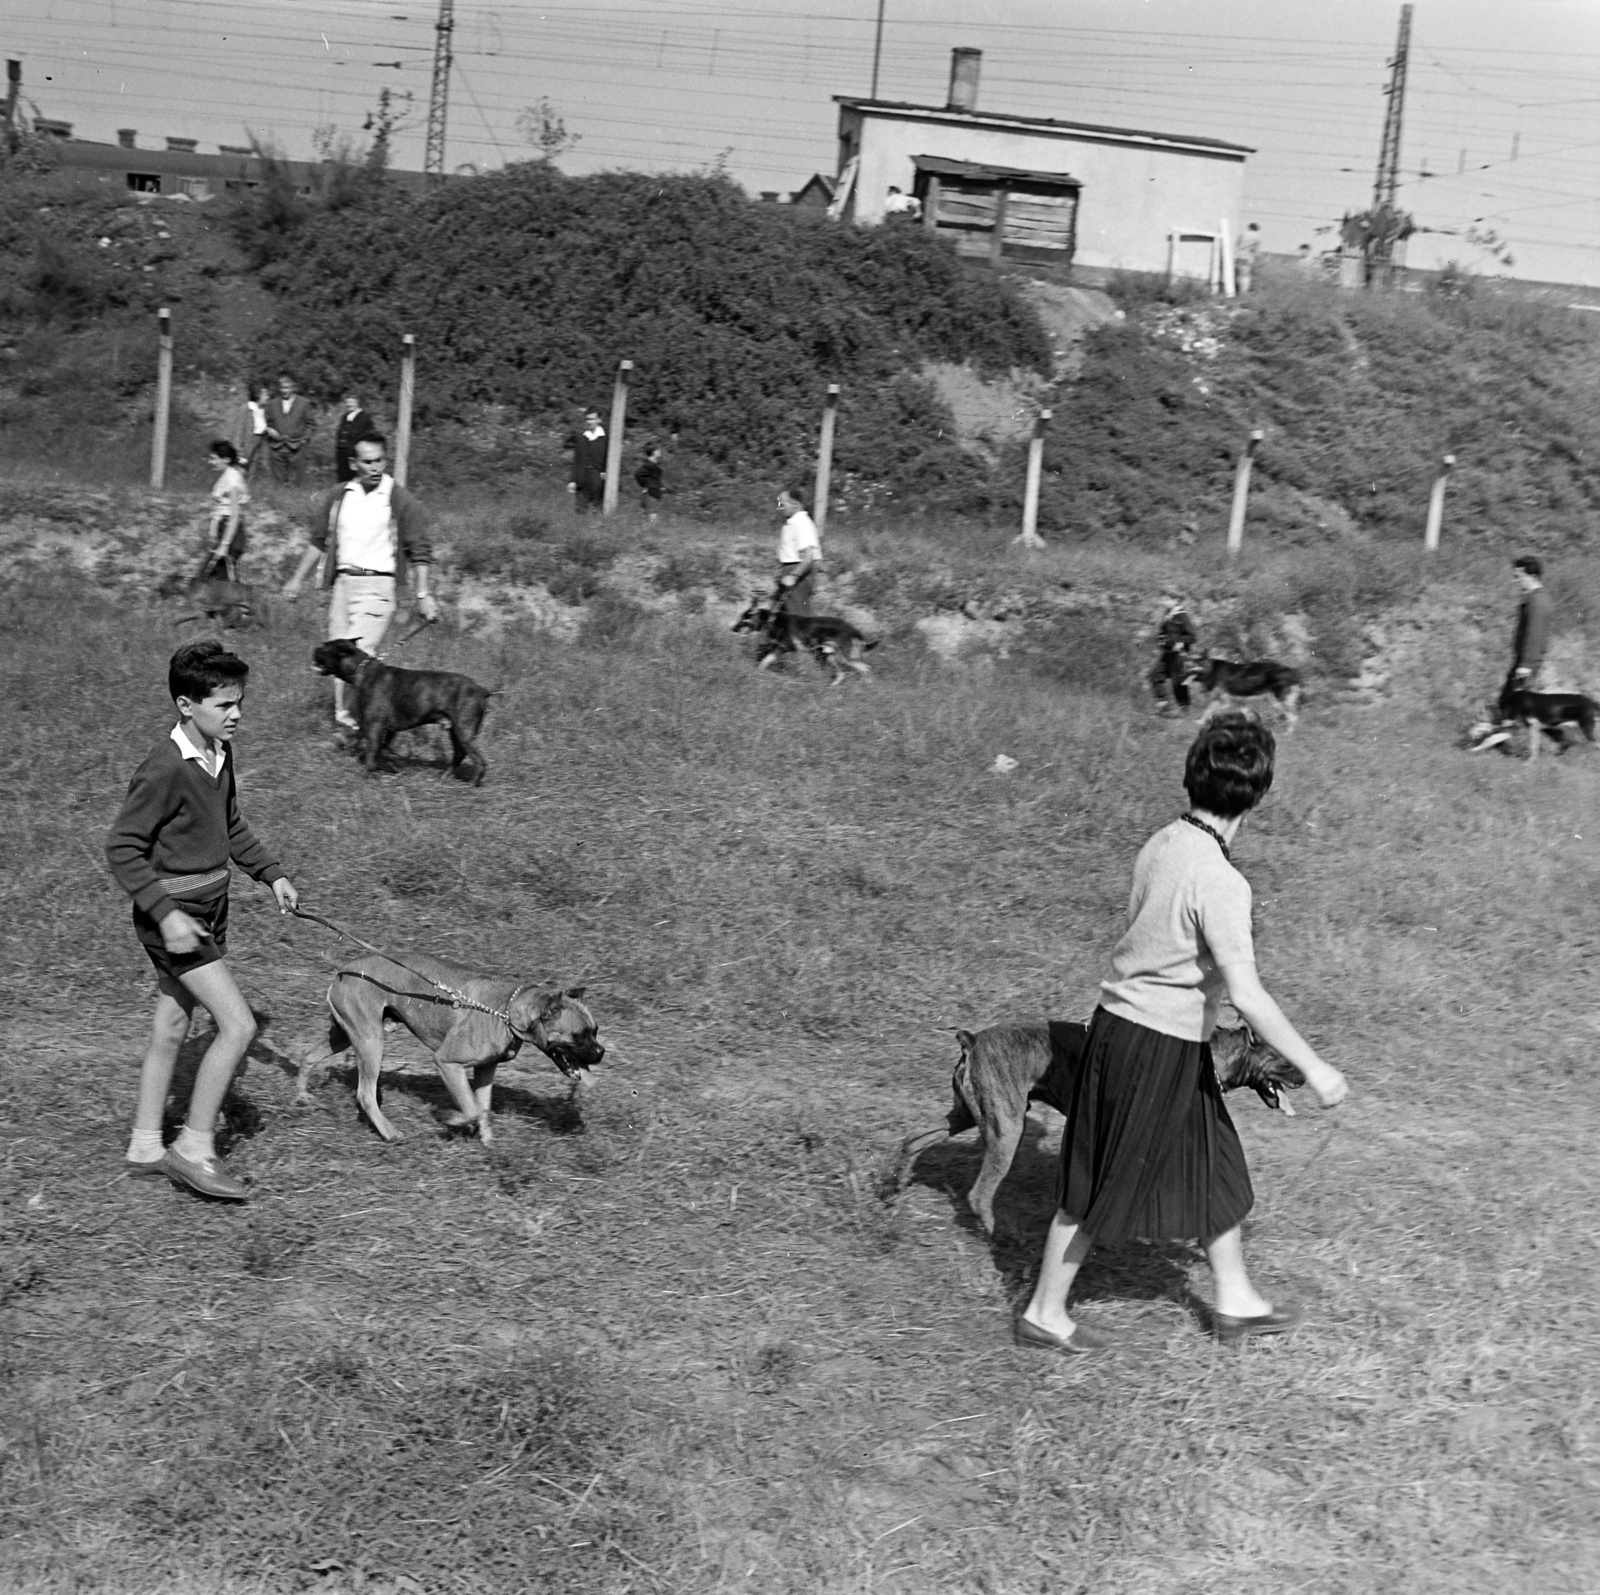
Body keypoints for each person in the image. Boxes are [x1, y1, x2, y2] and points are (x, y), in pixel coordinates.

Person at [1017, 713, 1349, 1356]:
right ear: (1256, 794)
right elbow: (1247, 996)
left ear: (1194, 776)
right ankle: (1043, 1313)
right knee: (1102, 1180)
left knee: (1214, 1163)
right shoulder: (1222, 882)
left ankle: (1236, 1300)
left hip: (1133, 1033)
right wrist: (1315, 1066)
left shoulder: (1162, 842)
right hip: (1153, 1047)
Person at [105, 640, 299, 1202]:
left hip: (208, 909)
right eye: (223, 705)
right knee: (238, 1026)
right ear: (187, 706)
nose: (236, 714)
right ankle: (194, 1146)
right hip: (177, 917)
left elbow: (230, 824)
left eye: (239, 702)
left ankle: (144, 1145)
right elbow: (122, 846)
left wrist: (272, 874)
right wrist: (165, 915)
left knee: (171, 1025)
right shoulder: (165, 768)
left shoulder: (218, 751)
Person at [282, 434, 438, 731]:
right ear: (354, 463)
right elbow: (319, 542)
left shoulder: (396, 497)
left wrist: (423, 593)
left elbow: (419, 547)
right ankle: (348, 726)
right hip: (343, 586)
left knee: (356, 660)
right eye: (367, 462)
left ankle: (361, 729)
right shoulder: (339, 495)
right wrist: (296, 580)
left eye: (379, 460)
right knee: (337, 662)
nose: (375, 467)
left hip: (377, 588)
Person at [203, 439, 249, 582]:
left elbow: (234, 516)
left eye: (214, 459)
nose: (210, 462)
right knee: (215, 576)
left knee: (222, 578)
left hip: (231, 534)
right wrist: (213, 532)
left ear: (226, 459)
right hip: (224, 531)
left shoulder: (232, 480)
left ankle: (240, 602)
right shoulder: (227, 476)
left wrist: (224, 545)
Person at [773, 488, 822, 616]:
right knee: (785, 614)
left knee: (798, 616)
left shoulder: (802, 523)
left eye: (782, 504)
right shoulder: (793, 523)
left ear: (795, 504)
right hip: (791, 569)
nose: (779, 508)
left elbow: (808, 556)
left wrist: (793, 576)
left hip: (799, 572)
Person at [1510, 554, 1553, 692]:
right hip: (1526, 662)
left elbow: (1534, 635)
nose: (1515, 582)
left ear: (1533, 577)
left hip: (1527, 665)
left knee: (1514, 709)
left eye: (1519, 577)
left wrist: (1525, 666)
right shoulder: (1536, 598)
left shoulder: (1537, 601)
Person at [1148, 595, 1198, 713]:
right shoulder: (1168, 615)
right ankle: (1164, 708)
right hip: (1167, 653)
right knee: (1155, 675)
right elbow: (1161, 633)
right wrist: (1161, 639)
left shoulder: (1182, 616)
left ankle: (1185, 709)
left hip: (1179, 655)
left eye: (1166, 599)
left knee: (1178, 682)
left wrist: (1181, 642)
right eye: (1163, 599)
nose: (1163, 602)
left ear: (1175, 601)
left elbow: (1192, 636)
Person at [264, 372, 312, 486]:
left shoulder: (304, 403)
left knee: (296, 483)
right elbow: (265, 422)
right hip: (277, 447)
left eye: (287, 387)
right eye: (282, 387)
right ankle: (278, 501)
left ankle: (294, 502)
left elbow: (311, 423)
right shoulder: (272, 403)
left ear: (293, 387)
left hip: (296, 447)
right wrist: (269, 430)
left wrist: (304, 440)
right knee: (278, 483)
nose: (284, 390)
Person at [568, 408, 607, 512]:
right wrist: (572, 480)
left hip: (598, 480)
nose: (589, 422)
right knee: (580, 511)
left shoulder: (605, 438)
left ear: (599, 420)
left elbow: (608, 459)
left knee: (597, 511)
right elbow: (577, 460)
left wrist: (605, 475)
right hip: (582, 479)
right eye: (587, 419)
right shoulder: (582, 438)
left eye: (592, 419)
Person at [333, 390, 376, 484]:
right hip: (342, 452)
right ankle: (342, 496)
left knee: (354, 477)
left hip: (355, 453)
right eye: (347, 402)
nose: (349, 404)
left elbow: (370, 435)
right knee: (342, 478)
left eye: (351, 402)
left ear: (357, 402)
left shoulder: (365, 417)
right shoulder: (345, 416)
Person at [243, 383, 270, 477]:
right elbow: (239, 431)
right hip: (248, 445)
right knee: (241, 471)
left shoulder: (261, 411)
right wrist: (240, 452)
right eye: (266, 394)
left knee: (252, 472)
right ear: (258, 395)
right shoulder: (247, 409)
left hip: (258, 445)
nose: (268, 397)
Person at [634, 441, 664, 523]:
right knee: (652, 519)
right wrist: (646, 485)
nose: (660, 452)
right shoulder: (648, 465)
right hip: (650, 494)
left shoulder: (653, 465)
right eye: (658, 450)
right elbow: (638, 474)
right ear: (654, 452)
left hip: (653, 493)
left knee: (646, 519)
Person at [1235, 222, 1262, 293]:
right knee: (1246, 274)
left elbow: (1237, 244)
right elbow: (1256, 249)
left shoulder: (1242, 234)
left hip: (1239, 255)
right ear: (1256, 229)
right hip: (1247, 257)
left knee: (1239, 274)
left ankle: (1238, 289)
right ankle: (1243, 291)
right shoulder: (1257, 236)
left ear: (1249, 227)